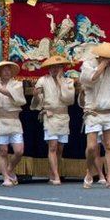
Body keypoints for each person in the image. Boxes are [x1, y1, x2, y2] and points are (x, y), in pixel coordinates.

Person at [80, 42, 110, 189]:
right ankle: (89, 171)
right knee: (92, 147)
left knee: (109, 145)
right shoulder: (88, 64)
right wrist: (102, 65)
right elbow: (90, 79)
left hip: (109, 112)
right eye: (108, 57)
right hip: (93, 112)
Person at [31, 55, 75, 185]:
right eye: (52, 67)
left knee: (60, 148)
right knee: (53, 146)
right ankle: (56, 176)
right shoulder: (43, 80)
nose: (55, 69)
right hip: (50, 116)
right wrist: (36, 96)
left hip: (63, 117)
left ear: (62, 68)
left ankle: (53, 172)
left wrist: (60, 82)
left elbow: (69, 100)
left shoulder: (68, 81)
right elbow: (36, 103)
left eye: (58, 67)